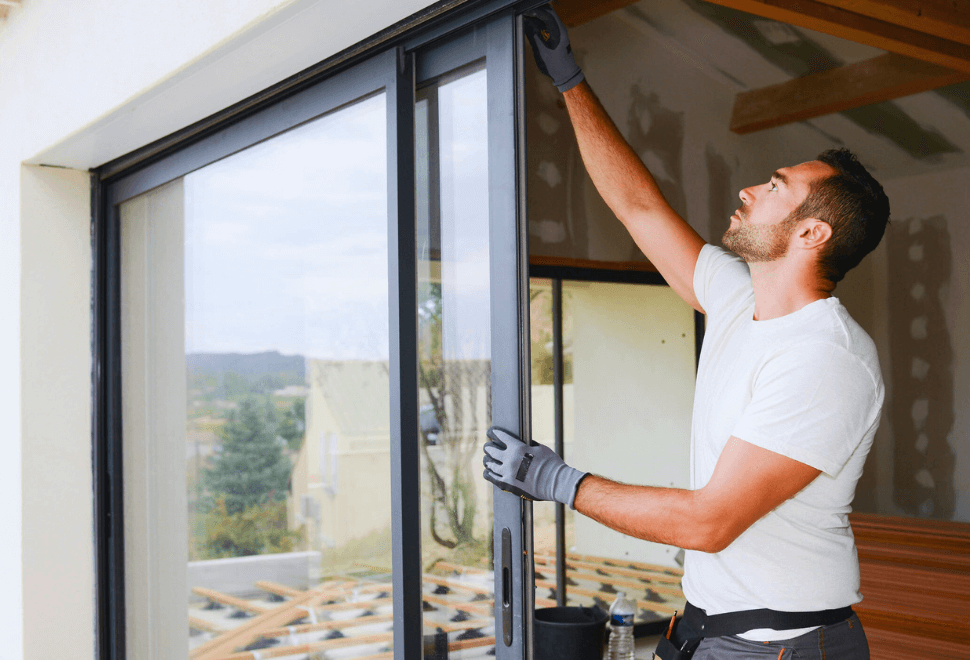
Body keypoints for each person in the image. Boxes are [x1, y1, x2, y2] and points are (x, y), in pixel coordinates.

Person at [482, 6, 890, 660]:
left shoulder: (827, 358)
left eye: (776, 187)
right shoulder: (737, 298)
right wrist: (569, 80)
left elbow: (710, 521)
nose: (752, 188)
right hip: (712, 632)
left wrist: (555, 480)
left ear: (814, 234)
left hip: (777, 647)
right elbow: (639, 207)